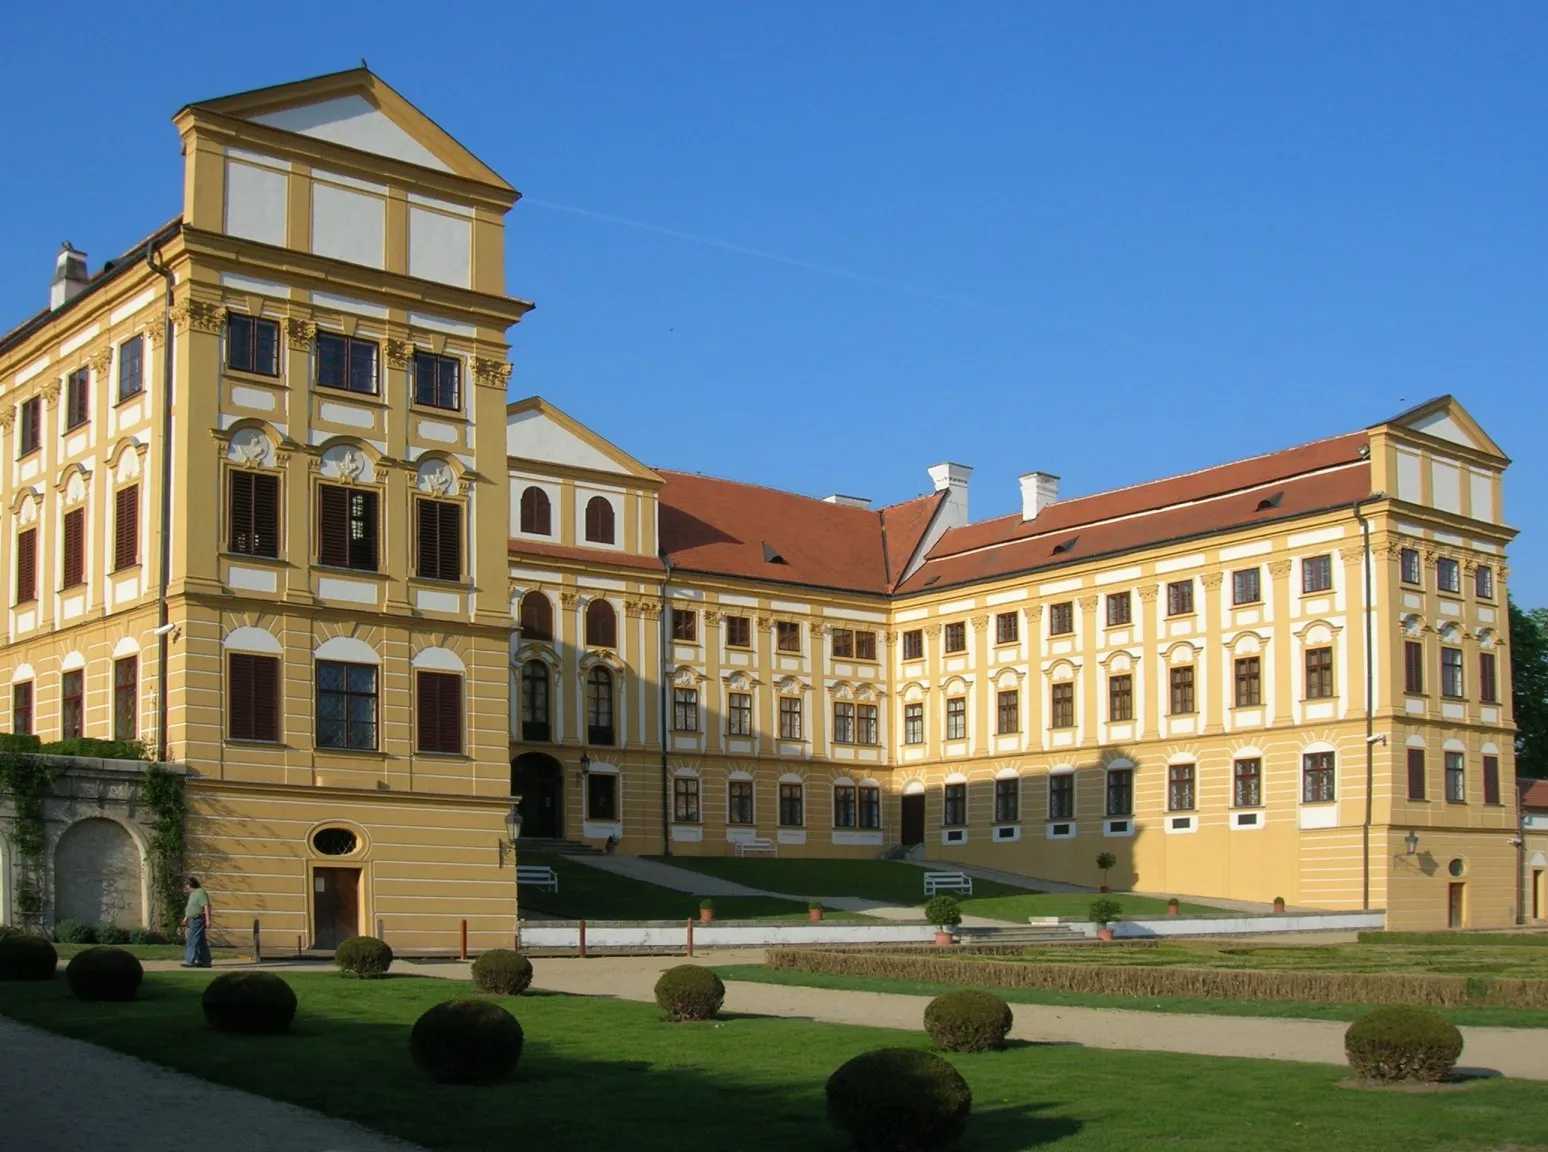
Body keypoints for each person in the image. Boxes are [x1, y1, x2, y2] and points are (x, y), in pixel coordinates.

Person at [180, 876, 213, 968]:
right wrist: (186, 918)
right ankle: (205, 962)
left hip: (198, 920)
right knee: (201, 941)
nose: (186, 887)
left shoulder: (200, 892)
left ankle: (190, 961)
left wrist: (208, 920)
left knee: (192, 940)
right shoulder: (193, 894)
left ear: (191, 885)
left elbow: (206, 906)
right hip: (192, 920)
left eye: (186, 885)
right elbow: (191, 907)